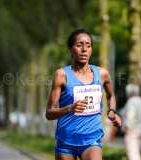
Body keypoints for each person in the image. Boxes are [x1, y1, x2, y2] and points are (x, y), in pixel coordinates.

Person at [45, 28, 121, 160]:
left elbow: (111, 95)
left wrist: (112, 111)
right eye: (79, 45)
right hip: (66, 140)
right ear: (70, 50)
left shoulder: (102, 74)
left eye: (88, 46)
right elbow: (49, 113)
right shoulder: (61, 75)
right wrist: (70, 108)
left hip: (92, 138)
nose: (84, 49)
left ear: (91, 50)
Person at [121, 84, 141, 160]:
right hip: (140, 130)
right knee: (136, 152)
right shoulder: (140, 100)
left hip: (131, 131)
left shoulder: (131, 101)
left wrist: (126, 127)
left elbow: (130, 115)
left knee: (132, 153)